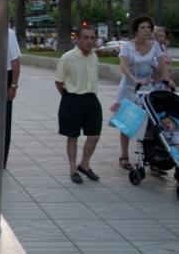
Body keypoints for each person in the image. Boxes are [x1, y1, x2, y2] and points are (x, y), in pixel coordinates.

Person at [110, 16, 174, 171]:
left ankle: (152, 156)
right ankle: (124, 157)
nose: (146, 30)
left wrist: (167, 79)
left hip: (148, 87)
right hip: (131, 87)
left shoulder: (155, 46)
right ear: (136, 30)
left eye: (148, 28)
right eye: (143, 27)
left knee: (152, 122)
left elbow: (162, 64)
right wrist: (135, 79)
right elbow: (124, 66)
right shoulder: (127, 46)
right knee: (128, 123)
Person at [55, 27, 102, 184]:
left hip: (91, 98)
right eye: (86, 37)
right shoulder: (68, 57)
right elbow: (59, 81)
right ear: (78, 39)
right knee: (72, 136)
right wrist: (69, 97)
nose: (90, 41)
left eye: (92, 38)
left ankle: (85, 164)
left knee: (94, 135)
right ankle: (73, 169)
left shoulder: (94, 57)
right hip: (72, 99)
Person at [5, 28, 21, 169]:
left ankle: (1, 158)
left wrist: (13, 85)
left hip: (4, 76)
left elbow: (15, 60)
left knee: (4, 120)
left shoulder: (8, 33)